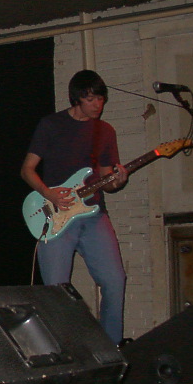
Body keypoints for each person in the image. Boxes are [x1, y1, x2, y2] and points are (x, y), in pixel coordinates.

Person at [19, 69, 128, 344]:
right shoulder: (51, 125)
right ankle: (62, 349)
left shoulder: (105, 131)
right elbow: (27, 169)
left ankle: (112, 346)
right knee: (56, 291)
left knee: (115, 281)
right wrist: (49, 193)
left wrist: (117, 181)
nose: (97, 105)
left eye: (101, 99)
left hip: (94, 214)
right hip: (56, 214)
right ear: (77, 98)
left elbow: (106, 179)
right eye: (91, 99)